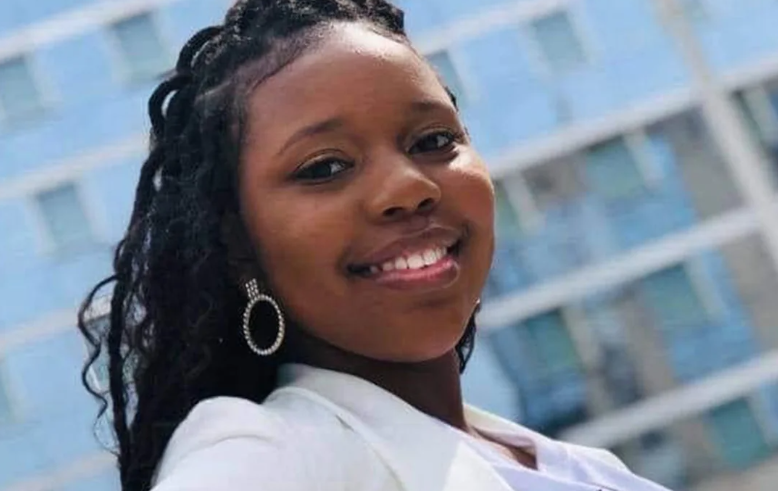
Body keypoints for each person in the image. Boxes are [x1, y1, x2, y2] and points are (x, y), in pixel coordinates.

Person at [78, 1, 674, 490]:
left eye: (432, 139)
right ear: (237, 245)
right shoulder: (276, 452)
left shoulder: (580, 467)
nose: (409, 188)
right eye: (325, 167)